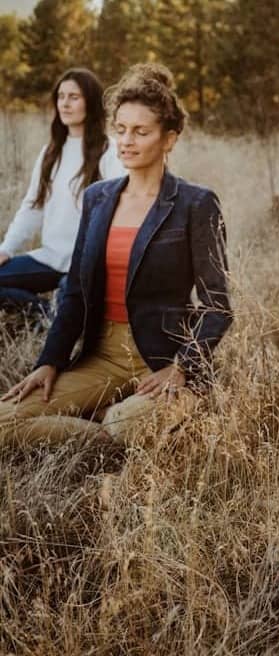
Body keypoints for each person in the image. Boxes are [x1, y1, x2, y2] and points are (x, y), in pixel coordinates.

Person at [0, 63, 232, 446]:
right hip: (103, 356)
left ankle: (121, 420)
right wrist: (50, 361)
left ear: (169, 139)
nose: (126, 141)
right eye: (120, 129)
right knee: (6, 419)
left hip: (163, 356)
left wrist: (182, 368)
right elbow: (74, 289)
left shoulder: (196, 203)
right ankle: (98, 428)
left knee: (125, 426)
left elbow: (217, 304)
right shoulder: (98, 198)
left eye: (141, 132)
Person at [0, 68, 125, 317]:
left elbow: (119, 213)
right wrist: (6, 249)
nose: (65, 104)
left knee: (74, 310)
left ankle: (61, 312)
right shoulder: (51, 152)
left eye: (74, 97)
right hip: (49, 257)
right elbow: (32, 207)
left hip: (85, 265)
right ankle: (44, 313)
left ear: (90, 102)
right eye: (61, 96)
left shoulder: (109, 150)